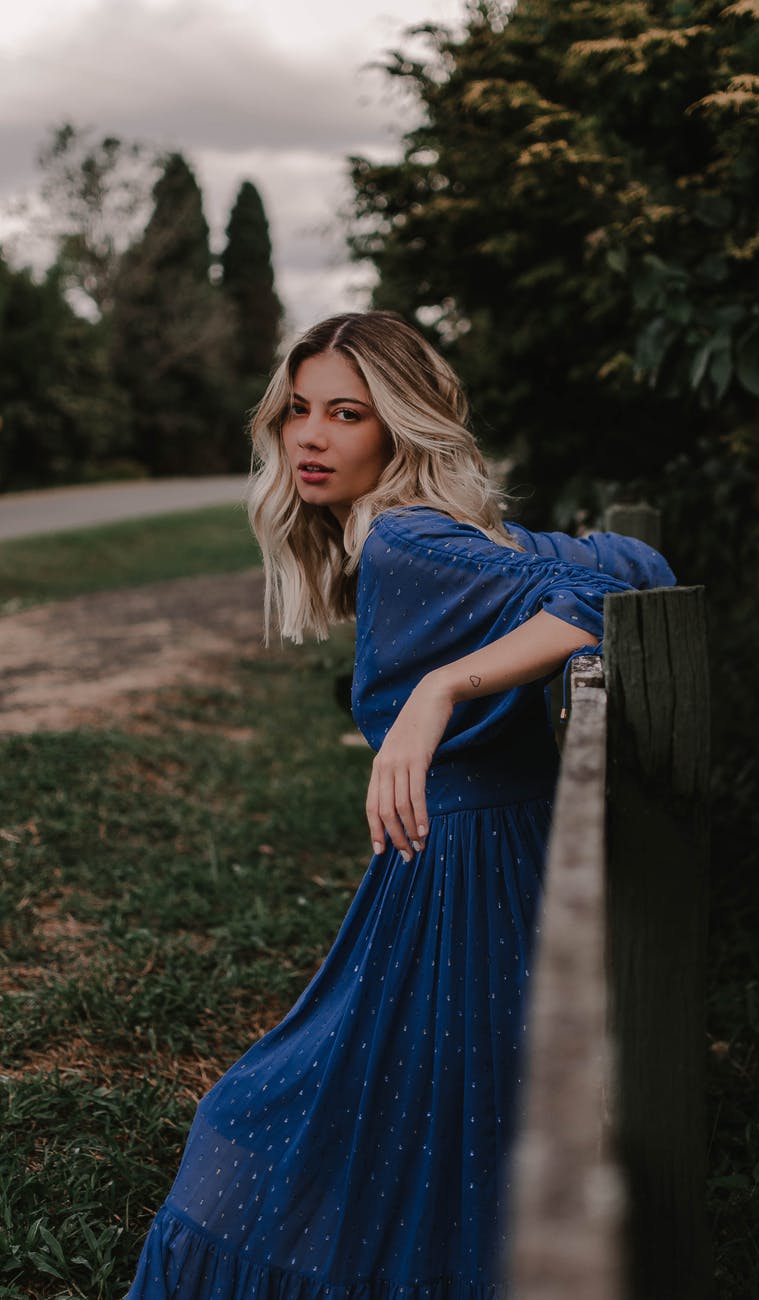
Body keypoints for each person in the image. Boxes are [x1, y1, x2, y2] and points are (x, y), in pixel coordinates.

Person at [124, 311, 675, 1299]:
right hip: (486, 864)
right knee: (454, 1132)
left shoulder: (408, 541)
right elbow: (627, 566)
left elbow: (602, 603)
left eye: (347, 413)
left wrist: (440, 690)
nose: (310, 436)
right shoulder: (440, 533)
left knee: (252, 1117)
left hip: (461, 880)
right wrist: (568, 562)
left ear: (400, 429)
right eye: (298, 411)